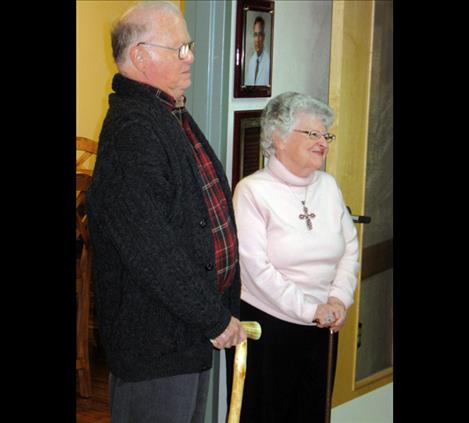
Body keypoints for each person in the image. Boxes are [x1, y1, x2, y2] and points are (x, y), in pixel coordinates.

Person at [86, 2, 246, 422]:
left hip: (184, 333)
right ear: (140, 56)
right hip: (156, 345)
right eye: (179, 48)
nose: (190, 56)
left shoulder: (165, 112)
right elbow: (153, 251)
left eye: (188, 45)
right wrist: (214, 317)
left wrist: (218, 310)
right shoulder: (133, 130)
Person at [228, 92, 360, 422]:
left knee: (313, 414)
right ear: (278, 137)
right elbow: (255, 268)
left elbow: (350, 249)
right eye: (312, 134)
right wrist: (309, 309)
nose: (323, 143)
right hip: (270, 329)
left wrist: (339, 300)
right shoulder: (252, 191)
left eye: (325, 134)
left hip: (325, 324)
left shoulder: (328, 186)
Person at [244, 16, 270, 86]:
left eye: (260, 35)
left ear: (264, 37)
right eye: (255, 35)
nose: (257, 40)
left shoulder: (269, 61)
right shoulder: (251, 61)